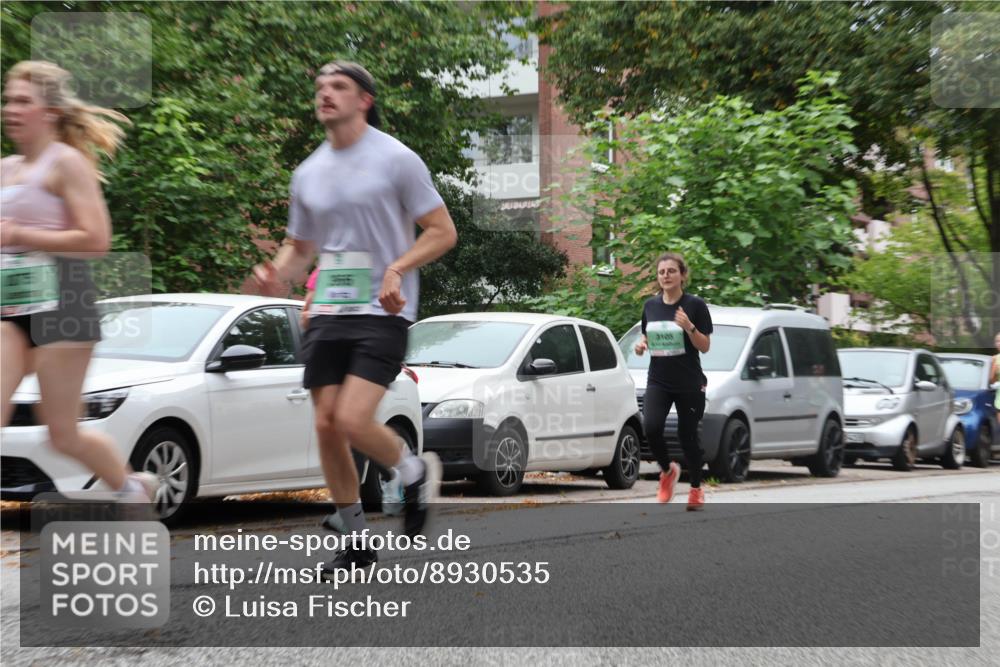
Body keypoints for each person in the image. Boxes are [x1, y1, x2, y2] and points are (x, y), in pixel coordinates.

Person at [252, 61, 457, 575]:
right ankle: (357, 541)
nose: (325, 94)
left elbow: (441, 230)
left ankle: (410, 471)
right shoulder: (308, 172)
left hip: (384, 310)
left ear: (364, 99)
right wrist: (275, 273)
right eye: (320, 87)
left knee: (350, 418)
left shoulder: (396, 159)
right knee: (325, 425)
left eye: (338, 87)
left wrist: (398, 266)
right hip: (329, 309)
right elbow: (301, 249)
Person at [1, 61, 156, 501]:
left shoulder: (66, 163)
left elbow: (97, 239)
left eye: (22, 101)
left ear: (49, 110)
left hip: (65, 304)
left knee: (62, 435)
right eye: (8, 99)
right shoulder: (5, 168)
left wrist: (19, 234)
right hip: (12, 308)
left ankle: (132, 489)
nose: (10, 109)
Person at [633, 252, 713, 510]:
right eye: (661, 272)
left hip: (689, 382)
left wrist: (689, 326)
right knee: (652, 427)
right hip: (659, 380)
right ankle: (667, 472)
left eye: (671, 271)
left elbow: (705, 346)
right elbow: (648, 337)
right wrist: (642, 345)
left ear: (682, 275)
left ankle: (696, 489)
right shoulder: (651, 306)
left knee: (687, 435)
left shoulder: (695, 305)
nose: (666, 275)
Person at [992, 332, 1000, 424]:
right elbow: (992, 380)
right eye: (997, 341)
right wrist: (994, 370)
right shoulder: (995, 359)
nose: (999, 343)